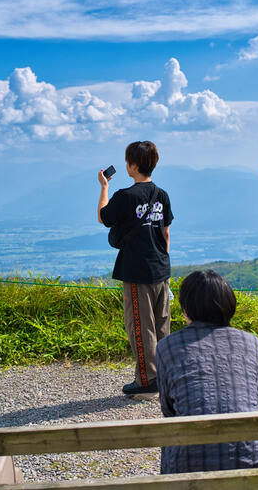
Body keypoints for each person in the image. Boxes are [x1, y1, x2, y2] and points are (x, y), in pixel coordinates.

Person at [155, 270, 258, 473]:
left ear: (186, 309)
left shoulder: (167, 347)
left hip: (188, 468)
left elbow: (169, 410)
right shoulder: (252, 344)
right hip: (256, 463)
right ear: (229, 305)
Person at [98, 140, 173, 396]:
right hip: (161, 269)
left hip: (136, 270)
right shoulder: (161, 194)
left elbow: (103, 217)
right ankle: (164, 376)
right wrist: (163, 261)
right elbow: (165, 233)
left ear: (132, 165)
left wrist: (104, 187)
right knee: (163, 325)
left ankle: (145, 380)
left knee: (140, 327)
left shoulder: (125, 197)